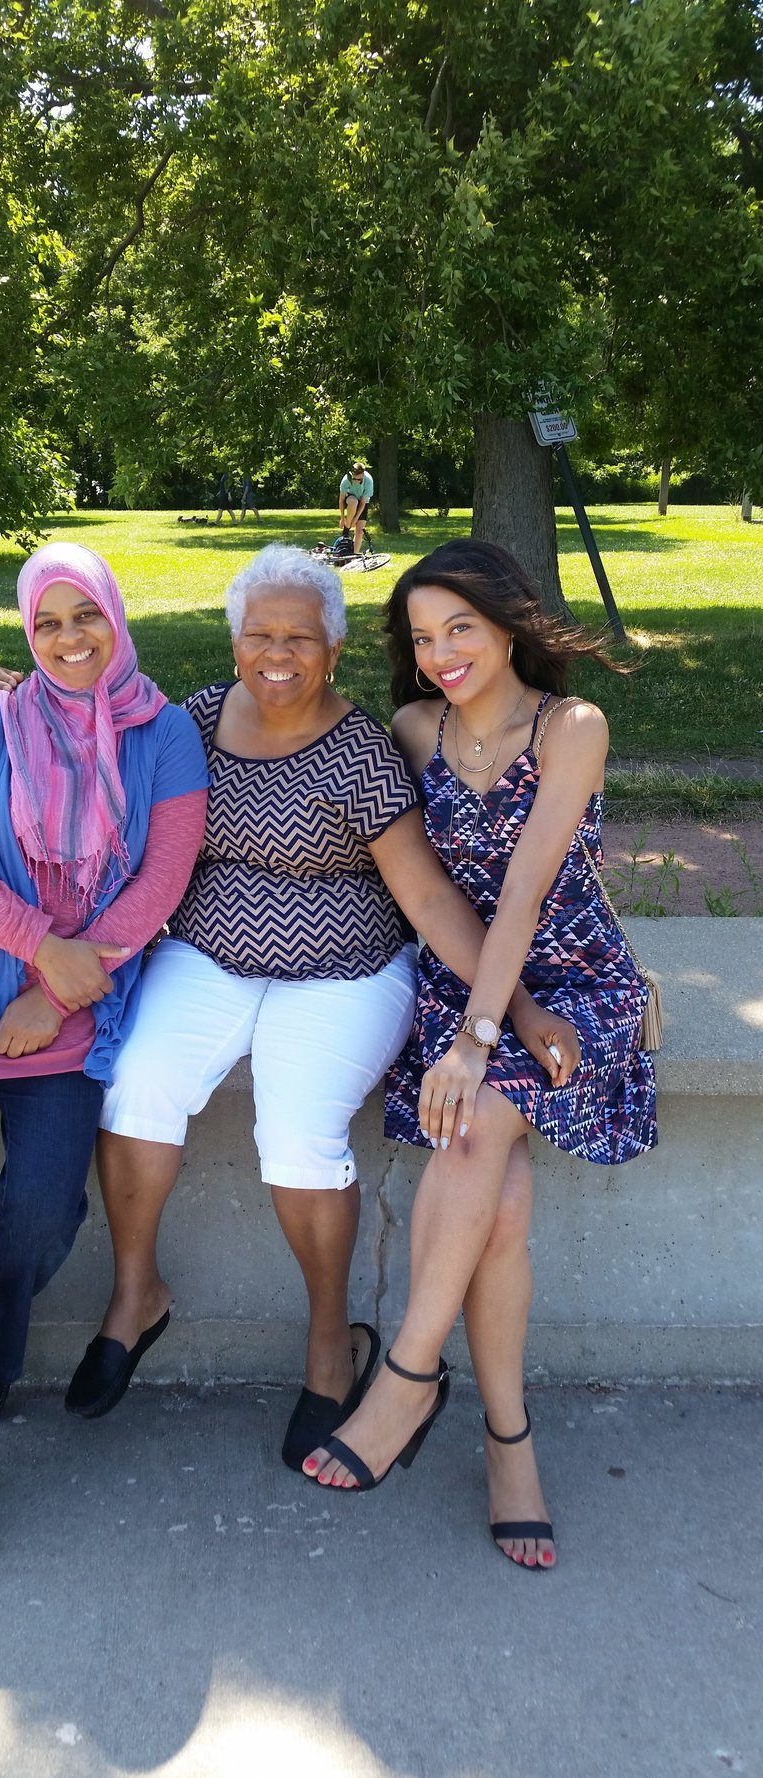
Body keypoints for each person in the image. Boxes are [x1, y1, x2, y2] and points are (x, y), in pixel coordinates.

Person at [0, 544, 575, 1476]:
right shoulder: (193, 724)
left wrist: (526, 1009)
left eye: (299, 637)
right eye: (258, 634)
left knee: (298, 1126)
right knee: (137, 1081)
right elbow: (91, 732)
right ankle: (137, 1295)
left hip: (345, 971)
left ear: (332, 649)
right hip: (208, 957)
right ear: (232, 644)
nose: (277, 652)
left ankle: (328, 1344)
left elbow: (426, 901)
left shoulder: (360, 751)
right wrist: (14, 695)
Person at [303, 538, 657, 1574]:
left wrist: (482, 1036)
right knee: (494, 1195)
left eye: (459, 625)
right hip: (472, 982)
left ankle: (408, 1375)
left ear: (507, 622)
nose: (441, 651)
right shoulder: (414, 729)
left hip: (572, 984)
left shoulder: (571, 726)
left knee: (474, 1117)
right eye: (421, 636)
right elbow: (286, 711)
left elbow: (526, 893)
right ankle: (511, 1445)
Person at [0, 542, 209, 1576]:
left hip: (65, 1020)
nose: (69, 639)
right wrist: (39, 949)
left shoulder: (167, 737)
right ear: (28, 630)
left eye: (85, 616)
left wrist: (57, 985)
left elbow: (156, 886)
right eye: (48, 621)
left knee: (41, 1216)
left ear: (115, 616)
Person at [338, 460, 374, 555]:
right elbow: (341, 500)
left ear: (363, 475)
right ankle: (346, 529)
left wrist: (356, 519)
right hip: (351, 498)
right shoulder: (346, 480)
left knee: (360, 530)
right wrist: (342, 518)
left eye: (359, 480)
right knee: (353, 502)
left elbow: (363, 503)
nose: (356, 481)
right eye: (354, 479)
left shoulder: (368, 480)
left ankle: (354, 554)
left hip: (362, 501)